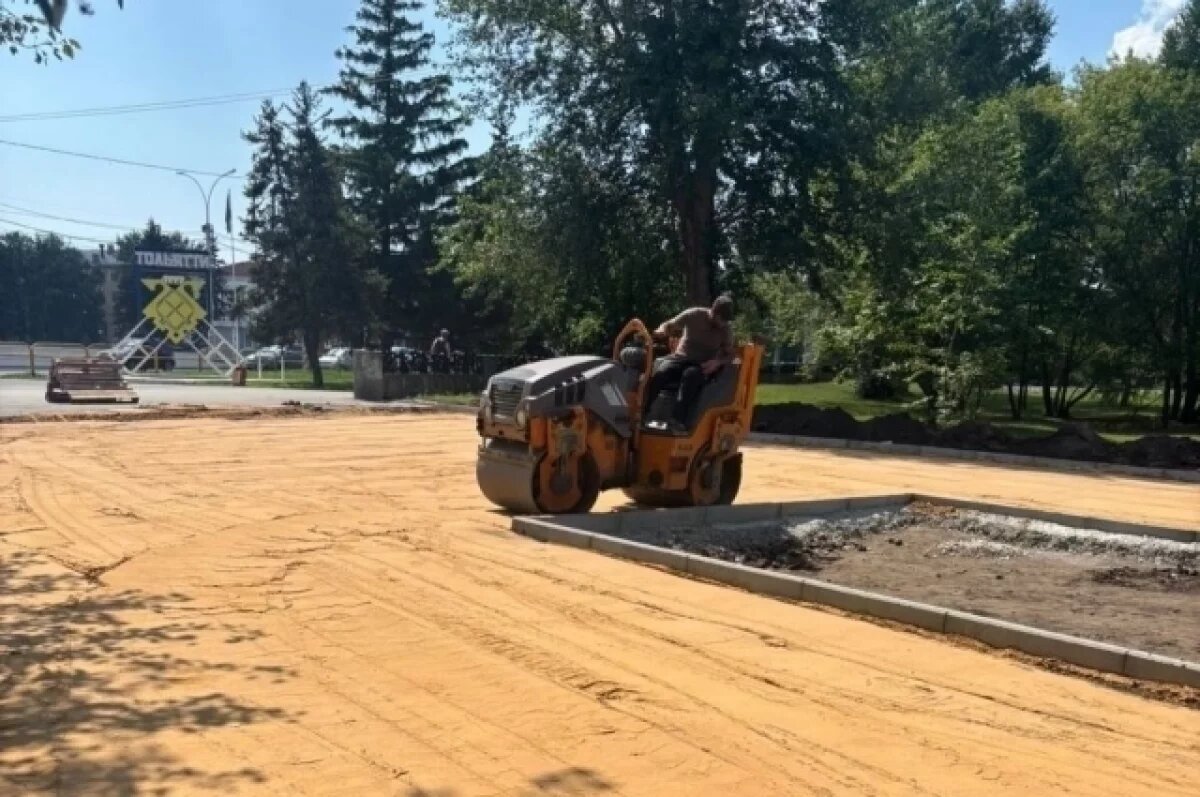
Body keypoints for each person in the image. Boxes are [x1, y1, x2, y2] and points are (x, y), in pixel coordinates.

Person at [642, 294, 736, 430]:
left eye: (726, 321)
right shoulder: (694, 315)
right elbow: (669, 325)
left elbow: (730, 354)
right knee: (661, 373)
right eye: (721, 319)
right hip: (681, 357)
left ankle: (676, 421)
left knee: (690, 376)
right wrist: (661, 330)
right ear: (714, 312)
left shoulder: (726, 330)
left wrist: (717, 362)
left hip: (700, 365)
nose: (723, 324)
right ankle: (642, 412)